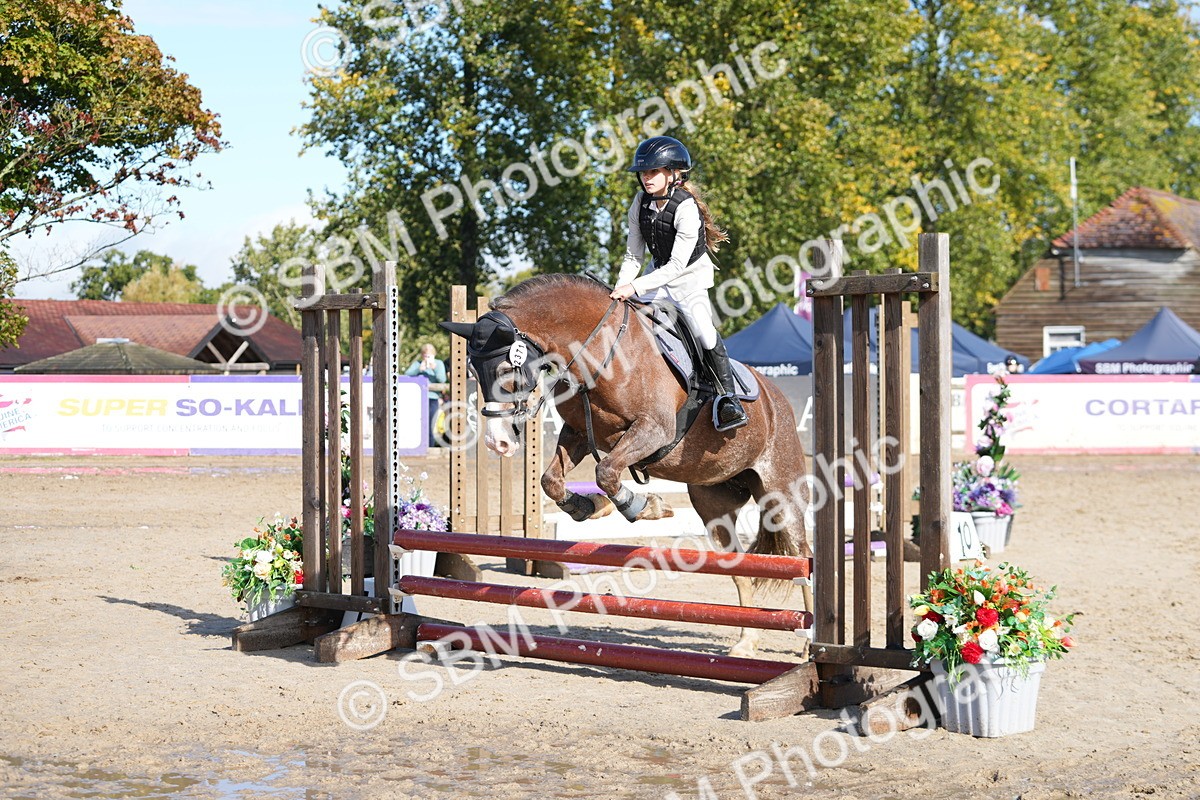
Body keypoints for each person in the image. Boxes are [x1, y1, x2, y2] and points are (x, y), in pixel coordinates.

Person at [610, 135, 747, 431]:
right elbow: (633, 254)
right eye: (644, 173)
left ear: (674, 174)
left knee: (704, 332)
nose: (646, 178)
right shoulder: (640, 202)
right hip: (656, 272)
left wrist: (635, 287)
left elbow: (676, 266)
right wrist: (621, 288)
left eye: (653, 172)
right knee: (627, 321)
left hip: (688, 280)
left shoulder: (687, 209)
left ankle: (728, 399)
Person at [405, 343, 447, 447]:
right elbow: (407, 374)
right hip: (418, 398)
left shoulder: (439, 363)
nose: (427, 357)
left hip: (432, 398)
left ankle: (430, 447)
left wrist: (434, 368)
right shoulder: (418, 364)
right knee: (418, 424)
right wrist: (419, 369)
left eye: (429, 355)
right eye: (425, 355)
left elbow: (442, 379)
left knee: (430, 424)